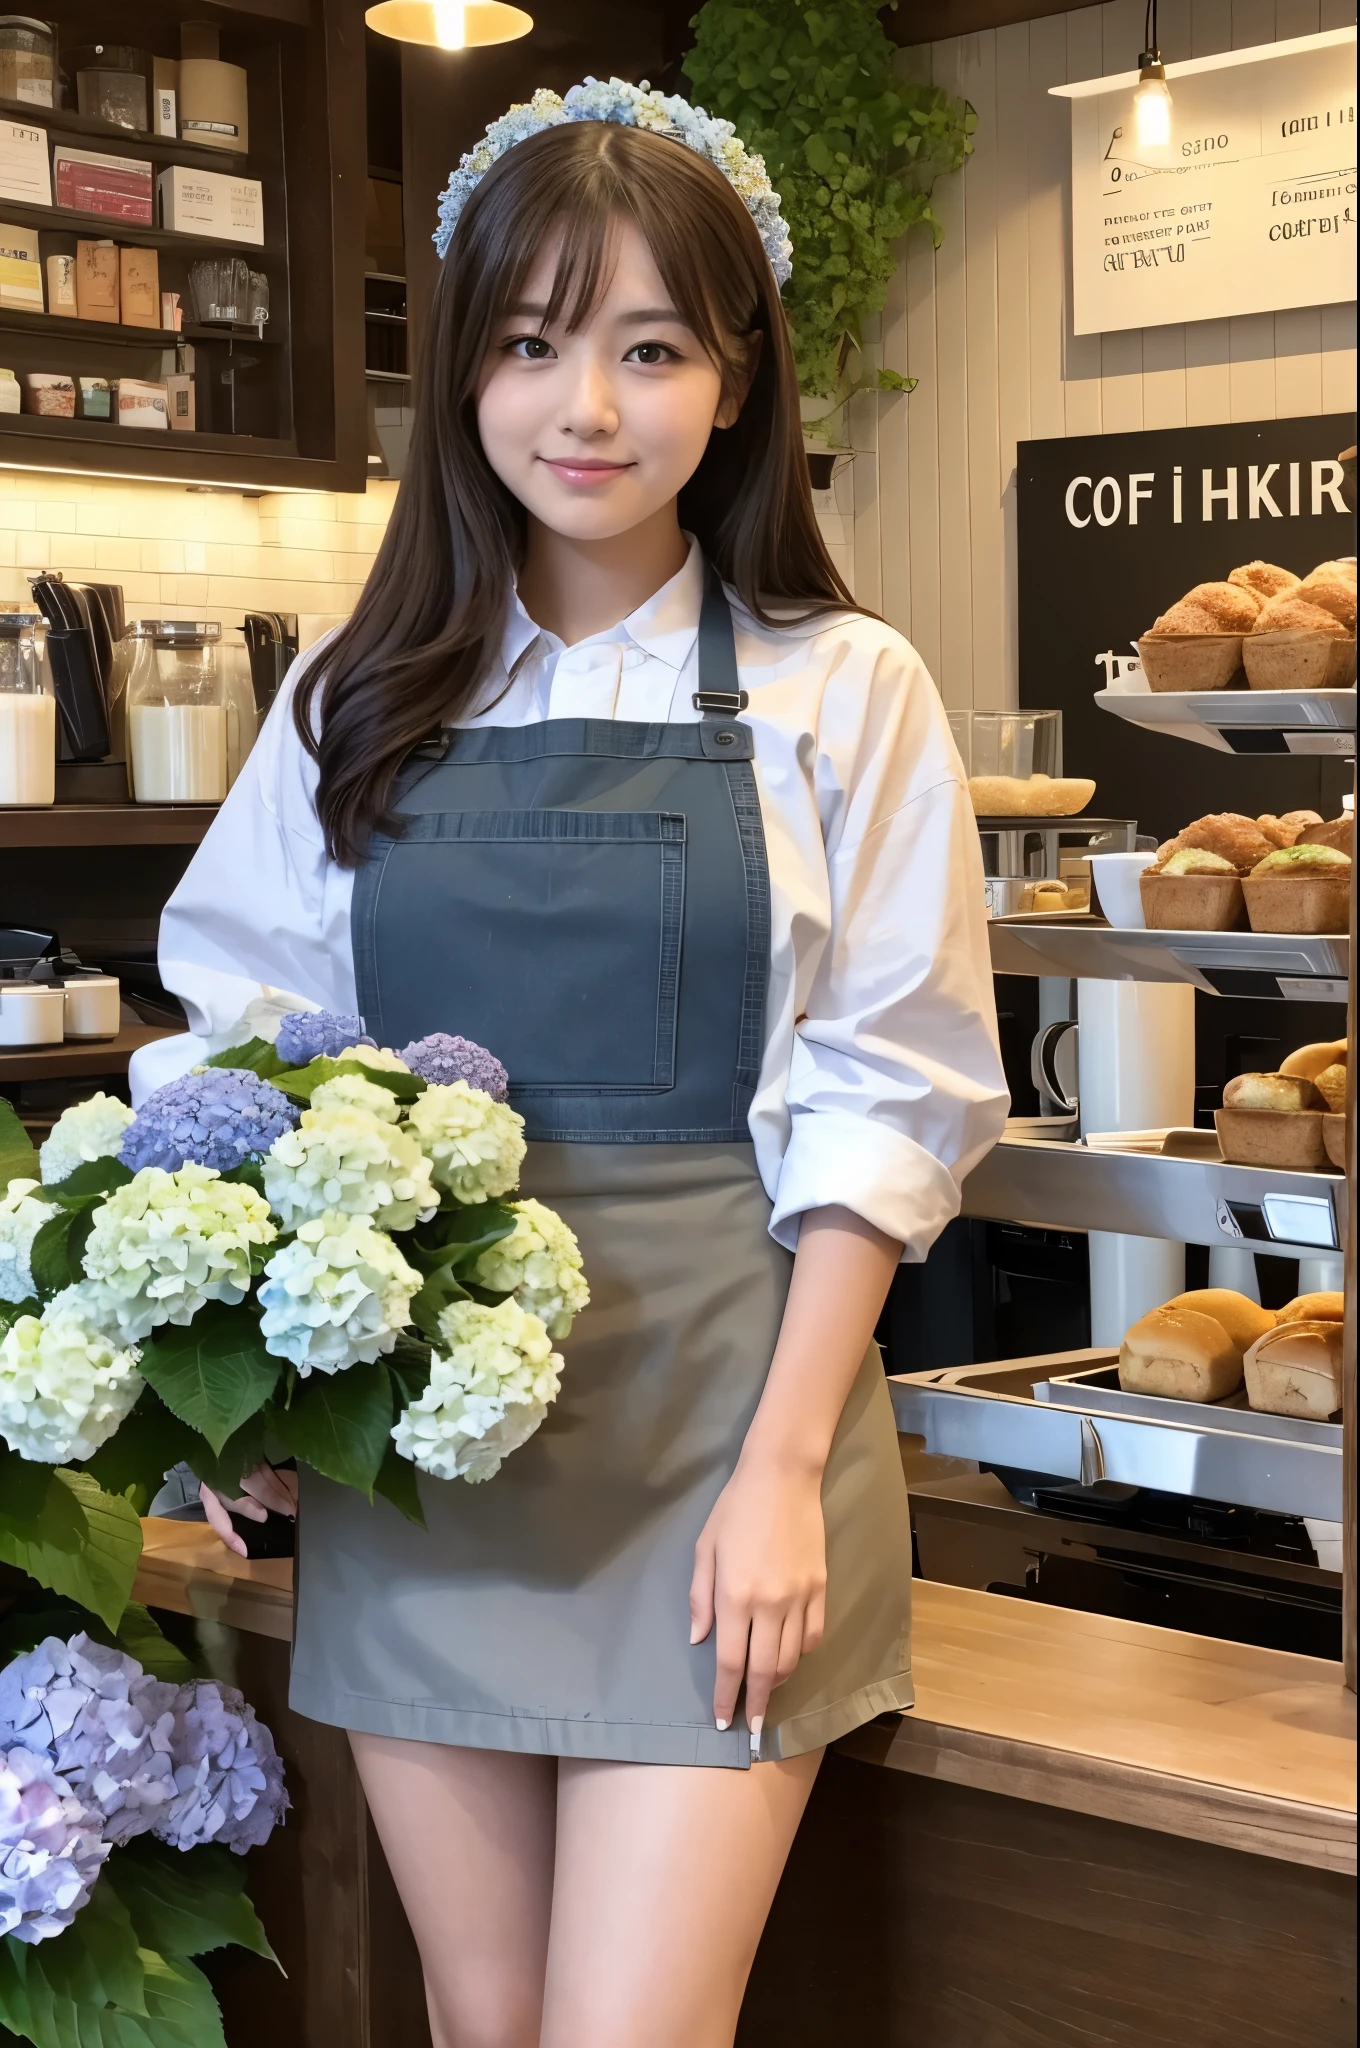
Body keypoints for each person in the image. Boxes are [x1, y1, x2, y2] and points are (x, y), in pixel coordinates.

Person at [132, 83, 1007, 2048]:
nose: (583, 407)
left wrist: (783, 1470)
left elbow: (891, 1094)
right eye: (528, 345)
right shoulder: (355, 695)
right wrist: (254, 1370)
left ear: (733, 374)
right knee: (487, 2016)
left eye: (646, 347)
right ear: (459, 376)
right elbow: (250, 1043)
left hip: (723, 1428)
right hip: (433, 1454)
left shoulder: (833, 684)